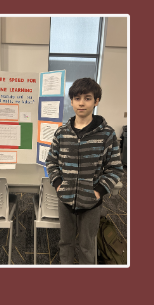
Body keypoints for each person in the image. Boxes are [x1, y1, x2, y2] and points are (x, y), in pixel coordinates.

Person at [46, 78, 123, 264]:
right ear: (72, 101)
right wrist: (58, 185)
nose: (81, 103)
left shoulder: (107, 133)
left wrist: (98, 191)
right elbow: (51, 161)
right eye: (77, 98)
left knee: (87, 245)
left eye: (87, 98)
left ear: (96, 101)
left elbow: (115, 168)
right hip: (65, 199)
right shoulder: (61, 132)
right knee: (65, 243)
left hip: (91, 202)